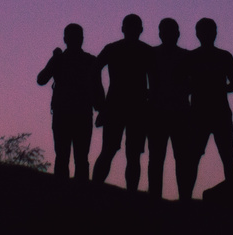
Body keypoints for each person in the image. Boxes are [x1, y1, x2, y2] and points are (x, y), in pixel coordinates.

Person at [91, 14, 155, 190]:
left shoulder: (115, 49)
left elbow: (94, 70)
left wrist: (100, 100)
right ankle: (127, 194)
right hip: (127, 107)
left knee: (117, 152)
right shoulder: (145, 51)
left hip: (122, 106)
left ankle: (96, 189)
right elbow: (94, 70)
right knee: (123, 153)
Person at [37, 23, 105, 180]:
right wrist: (101, 109)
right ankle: (77, 197)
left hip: (66, 113)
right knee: (77, 158)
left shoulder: (62, 60)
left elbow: (41, 79)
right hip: (78, 113)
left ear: (65, 39)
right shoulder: (88, 60)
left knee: (65, 157)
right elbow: (98, 89)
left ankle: (64, 196)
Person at [184, 17, 233, 196]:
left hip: (212, 112)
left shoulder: (196, 57)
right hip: (207, 113)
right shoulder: (199, 57)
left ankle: (186, 198)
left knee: (222, 156)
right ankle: (187, 197)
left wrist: (213, 88)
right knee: (201, 157)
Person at [145, 17, 193, 200]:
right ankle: (180, 198)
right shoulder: (185, 56)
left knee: (166, 159)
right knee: (170, 159)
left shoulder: (153, 54)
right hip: (168, 111)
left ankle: (164, 197)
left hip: (167, 111)